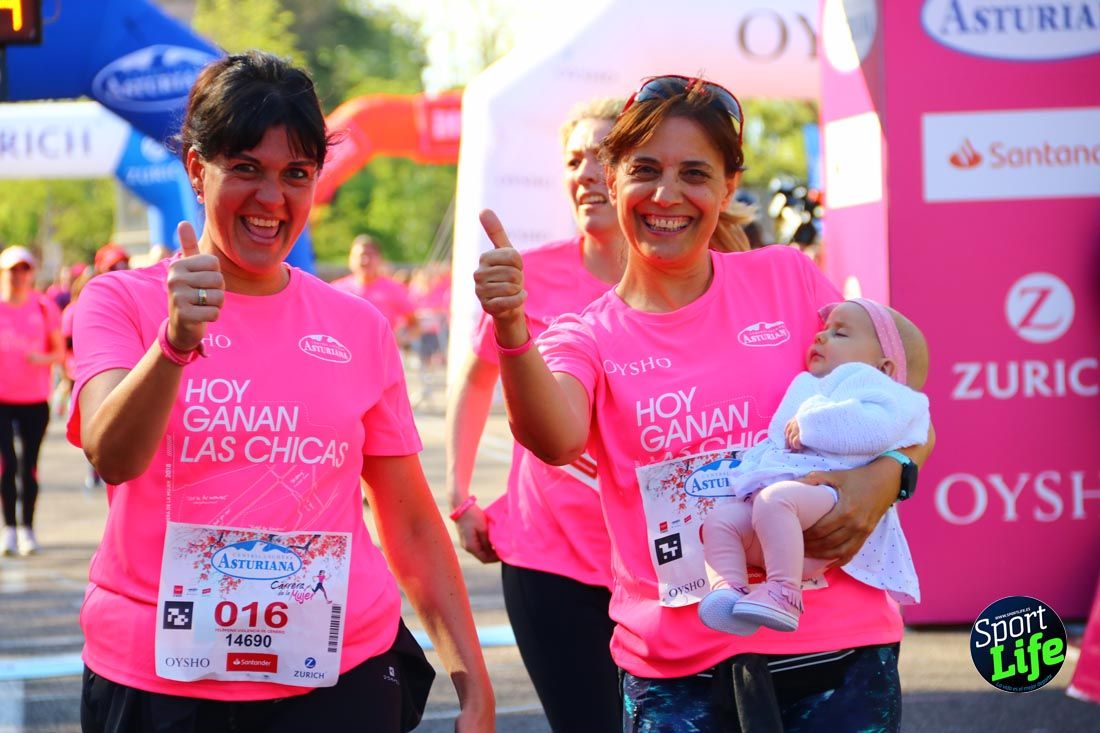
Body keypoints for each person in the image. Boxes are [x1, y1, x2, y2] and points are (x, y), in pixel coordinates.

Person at [474, 75, 933, 732]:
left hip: (838, 651)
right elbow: (556, 438)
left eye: (694, 173)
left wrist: (888, 476)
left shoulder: (788, 279)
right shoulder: (586, 334)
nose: (667, 195)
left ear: (727, 185)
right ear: (612, 179)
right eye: (646, 170)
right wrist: (513, 329)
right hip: (678, 673)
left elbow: (904, 410)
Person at [69, 51, 493, 732]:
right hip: (161, 684)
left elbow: (411, 522)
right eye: (246, 168)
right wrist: (174, 343)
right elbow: (111, 455)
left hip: (338, 679)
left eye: (296, 173)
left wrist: (474, 686)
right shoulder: (120, 302)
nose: (272, 198)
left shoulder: (357, 326)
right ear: (196, 168)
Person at [446, 97, 630, 733]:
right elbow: (475, 381)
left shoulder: (683, 280)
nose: (586, 173)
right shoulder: (531, 273)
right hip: (547, 558)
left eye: (602, 156)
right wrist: (459, 494)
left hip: (666, 561)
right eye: (574, 160)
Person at [698, 298, 930, 636]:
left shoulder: (881, 390)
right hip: (787, 515)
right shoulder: (818, 383)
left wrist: (810, 423)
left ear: (884, 367)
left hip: (832, 493)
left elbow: (872, 429)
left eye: (840, 333)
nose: (820, 337)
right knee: (722, 521)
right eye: (824, 330)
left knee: (775, 501)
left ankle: (784, 594)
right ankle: (729, 589)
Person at [0, 245, 64, 556]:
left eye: (24, 269)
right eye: (13, 269)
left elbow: (60, 352)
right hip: (2, 399)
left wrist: (42, 358)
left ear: (32, 273)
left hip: (35, 399)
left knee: (29, 466)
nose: (19, 275)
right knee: (7, 464)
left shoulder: (43, 307)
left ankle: (27, 528)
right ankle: (9, 529)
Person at [330, 234, 418, 344]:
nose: (365, 260)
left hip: (380, 351)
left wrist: (397, 343)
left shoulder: (393, 289)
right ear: (350, 259)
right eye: (360, 256)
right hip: (346, 350)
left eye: (370, 255)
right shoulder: (336, 289)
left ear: (379, 259)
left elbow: (414, 324)